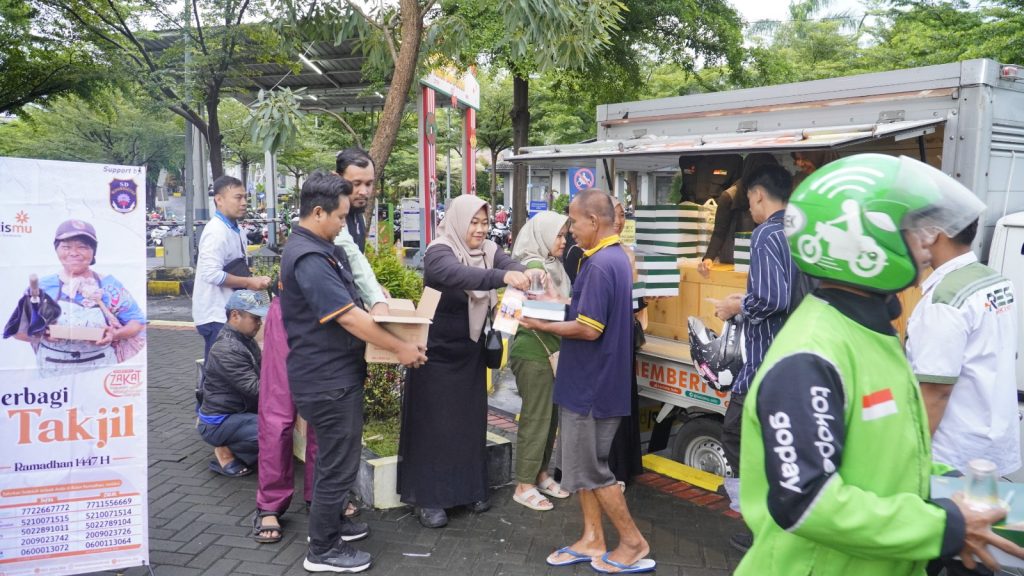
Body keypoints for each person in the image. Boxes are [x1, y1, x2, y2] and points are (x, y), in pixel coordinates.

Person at [736, 153, 1024, 575]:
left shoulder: (872, 331)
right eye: (913, 230)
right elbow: (807, 501)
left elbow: (891, 446)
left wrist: (954, 487)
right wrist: (945, 525)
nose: (927, 243)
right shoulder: (810, 355)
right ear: (861, 239)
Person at [280, 170, 426, 573]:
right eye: (340, 217)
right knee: (337, 463)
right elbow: (347, 317)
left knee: (335, 458)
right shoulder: (309, 257)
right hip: (326, 379)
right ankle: (323, 551)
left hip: (332, 374)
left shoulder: (322, 247)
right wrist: (400, 348)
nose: (344, 224)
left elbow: (360, 300)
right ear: (317, 211)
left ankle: (328, 528)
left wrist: (382, 306)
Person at [253, 148, 390, 544]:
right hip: (297, 323)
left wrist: (375, 297)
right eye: (356, 182)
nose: (363, 191)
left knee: (325, 424)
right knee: (279, 416)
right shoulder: (324, 220)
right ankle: (269, 505)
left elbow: (356, 269)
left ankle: (321, 501)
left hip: (329, 325)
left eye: (368, 183)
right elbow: (353, 274)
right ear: (335, 181)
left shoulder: (352, 217)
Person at [521, 189, 653, 574]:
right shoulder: (612, 260)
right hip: (594, 383)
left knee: (592, 471)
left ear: (594, 222)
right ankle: (592, 538)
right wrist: (552, 302)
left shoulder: (599, 265)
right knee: (581, 466)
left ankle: (632, 541)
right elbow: (587, 313)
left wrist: (538, 323)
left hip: (590, 387)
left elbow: (587, 328)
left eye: (575, 221)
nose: (572, 230)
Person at [398, 194, 531, 529]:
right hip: (434, 355)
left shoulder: (488, 251)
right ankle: (428, 499)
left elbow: (511, 264)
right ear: (459, 220)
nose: (481, 229)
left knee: (468, 423)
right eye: (474, 221)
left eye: (485, 222)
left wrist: (518, 272)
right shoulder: (438, 251)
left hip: (469, 352)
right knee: (434, 427)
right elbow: (457, 275)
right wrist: (501, 278)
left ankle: (469, 489)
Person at [710, 164, 798, 553]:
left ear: (759, 195)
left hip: (765, 364)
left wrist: (734, 305)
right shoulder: (802, 231)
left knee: (737, 434)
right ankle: (780, 524)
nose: (750, 208)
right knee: (781, 447)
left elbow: (770, 298)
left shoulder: (766, 234)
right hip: (796, 357)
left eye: (749, 200)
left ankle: (761, 525)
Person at [906, 219, 1020, 473]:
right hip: (990, 441)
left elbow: (935, 391)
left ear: (936, 232)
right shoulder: (995, 280)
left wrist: (908, 459)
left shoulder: (944, 299)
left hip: (950, 454)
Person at [22, 219, 146, 377]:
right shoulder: (42, 287)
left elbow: (137, 323)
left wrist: (114, 335)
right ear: (56, 250)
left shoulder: (109, 285)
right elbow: (19, 330)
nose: (74, 253)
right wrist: (39, 333)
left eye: (82, 246)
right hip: (52, 371)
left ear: (93, 251)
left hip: (102, 370)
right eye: (66, 247)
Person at [508, 211, 571, 512]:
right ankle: (523, 484)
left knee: (550, 418)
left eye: (564, 234)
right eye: (559, 235)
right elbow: (532, 313)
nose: (564, 240)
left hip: (550, 351)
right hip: (534, 351)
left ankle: (541, 474)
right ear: (543, 235)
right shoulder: (535, 267)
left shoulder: (551, 265)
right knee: (537, 418)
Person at [193, 175, 271, 360]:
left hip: (229, 314)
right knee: (220, 372)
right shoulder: (216, 232)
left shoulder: (236, 230)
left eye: (245, 197)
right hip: (216, 315)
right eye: (238, 197)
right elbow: (211, 274)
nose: (244, 203)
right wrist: (249, 281)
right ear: (219, 200)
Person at [197, 289, 269, 478]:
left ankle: (237, 444)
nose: (260, 323)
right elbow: (257, 389)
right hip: (219, 421)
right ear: (235, 315)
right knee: (273, 431)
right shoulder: (227, 348)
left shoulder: (245, 340)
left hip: (239, 412)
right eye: (255, 318)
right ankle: (225, 450)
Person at [607, 197, 644, 488]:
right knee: (611, 403)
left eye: (621, 215)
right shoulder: (595, 255)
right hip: (607, 339)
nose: (619, 221)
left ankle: (624, 469)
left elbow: (637, 297)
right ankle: (610, 470)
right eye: (614, 215)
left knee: (626, 399)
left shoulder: (627, 251)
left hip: (626, 334)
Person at [698, 153, 777, 277]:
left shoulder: (772, 194)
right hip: (734, 259)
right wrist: (709, 258)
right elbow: (719, 232)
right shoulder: (730, 196)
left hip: (763, 260)